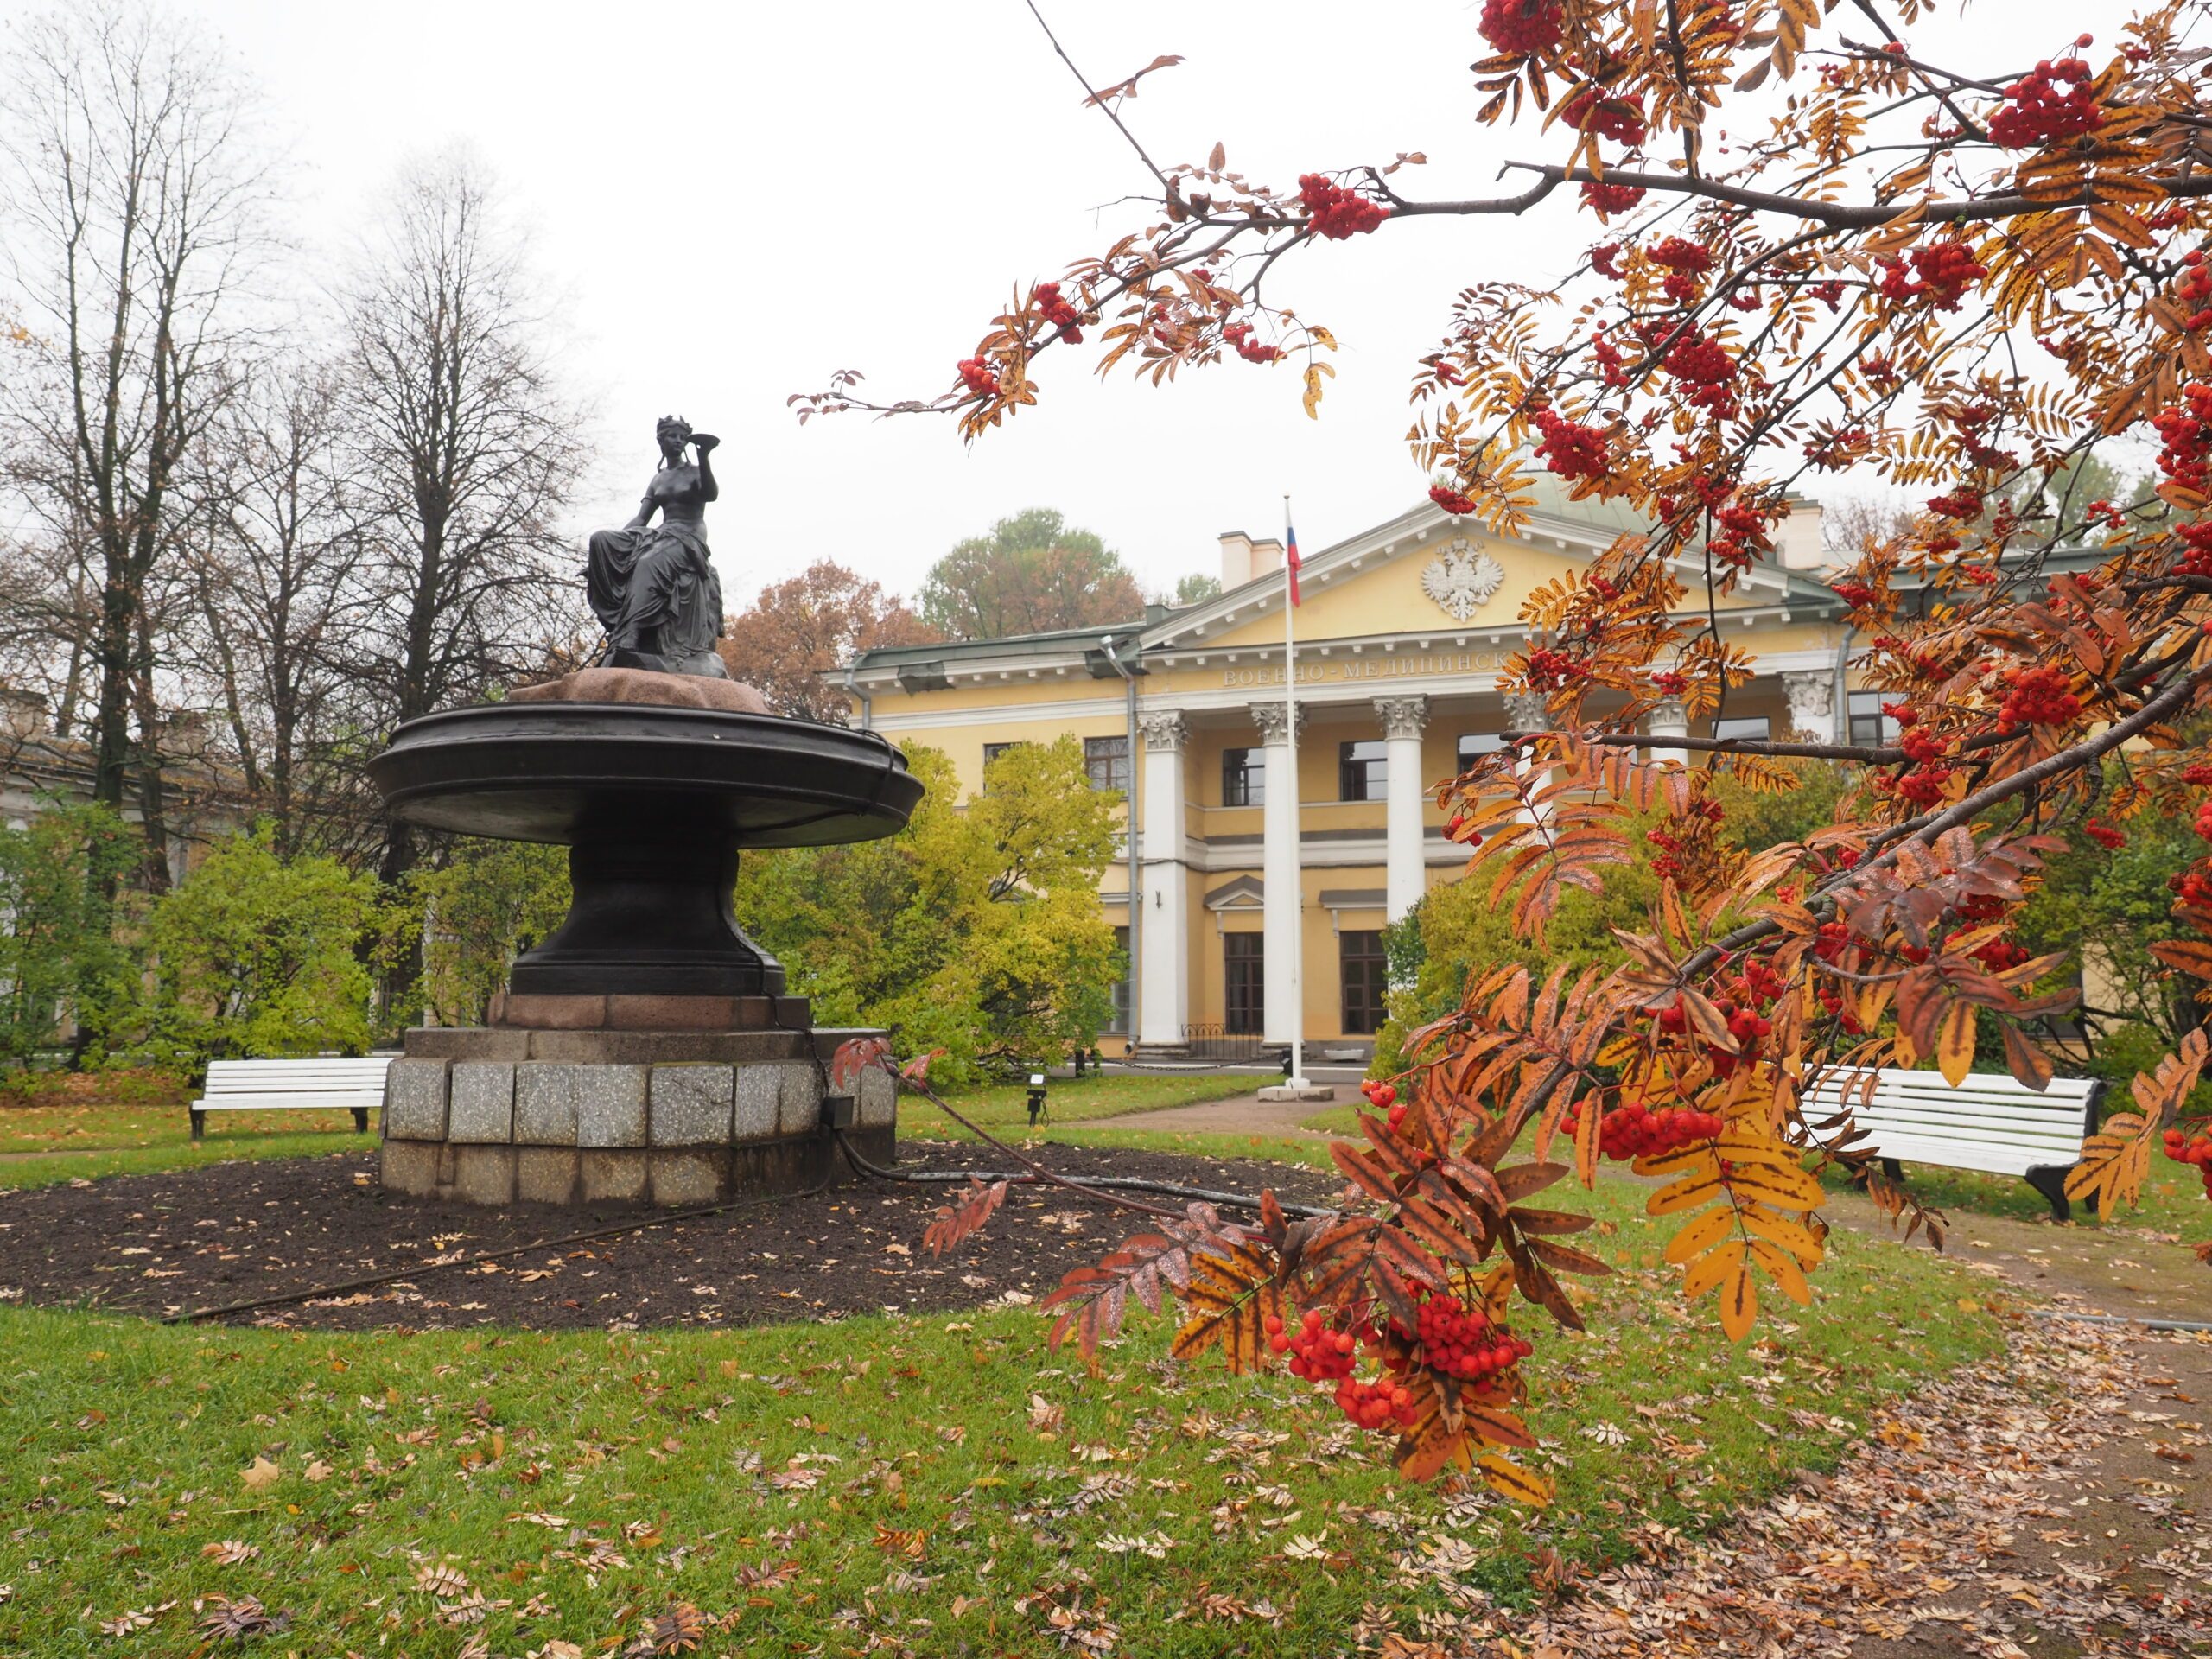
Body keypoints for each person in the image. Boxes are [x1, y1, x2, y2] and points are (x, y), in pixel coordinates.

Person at [585, 415, 728, 676]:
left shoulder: (696, 471)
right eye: (672, 436)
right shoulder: (658, 479)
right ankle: (619, 624)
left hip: (688, 539)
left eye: (682, 438)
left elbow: (711, 494)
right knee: (600, 540)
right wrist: (620, 544)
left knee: (648, 562)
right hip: (660, 533)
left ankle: (631, 633)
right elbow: (642, 518)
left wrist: (704, 456)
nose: (677, 441)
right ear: (661, 441)